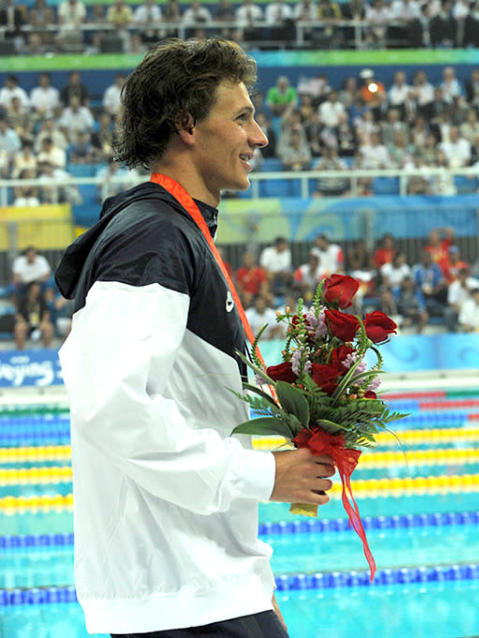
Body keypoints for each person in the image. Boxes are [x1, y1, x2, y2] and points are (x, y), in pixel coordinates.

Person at [53, 38, 335, 638]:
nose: (259, 136)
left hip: (207, 582)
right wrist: (265, 477)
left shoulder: (174, 229)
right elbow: (111, 404)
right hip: (179, 589)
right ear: (186, 125)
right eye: (242, 117)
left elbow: (188, 394)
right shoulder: (152, 237)